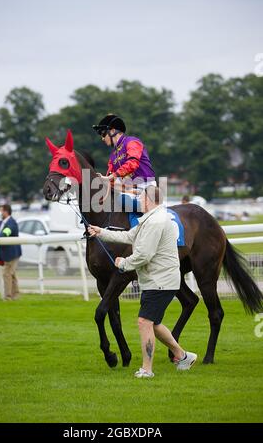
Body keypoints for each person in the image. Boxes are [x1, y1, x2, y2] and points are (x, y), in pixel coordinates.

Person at [88, 186, 197, 378]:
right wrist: (101, 232)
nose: (138, 201)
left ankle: (147, 369)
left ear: (148, 200)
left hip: (161, 281)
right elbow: (128, 236)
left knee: (144, 322)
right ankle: (183, 355)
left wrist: (124, 264)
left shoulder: (155, 222)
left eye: (140, 198)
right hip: (157, 280)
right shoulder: (150, 218)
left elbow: (144, 255)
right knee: (153, 323)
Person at [93, 114, 156, 227]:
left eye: (103, 134)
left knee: (122, 200)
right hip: (131, 191)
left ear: (112, 131)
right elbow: (109, 177)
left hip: (146, 186)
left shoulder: (132, 142)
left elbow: (132, 163)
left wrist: (112, 177)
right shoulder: (113, 155)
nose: (102, 138)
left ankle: (149, 216)